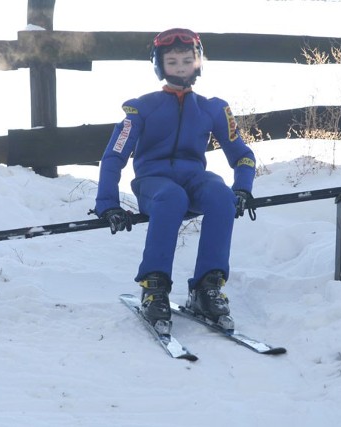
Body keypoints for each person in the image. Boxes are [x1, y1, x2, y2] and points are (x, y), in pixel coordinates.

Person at [93, 28, 256, 329]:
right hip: (153, 184)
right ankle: (154, 287)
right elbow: (114, 156)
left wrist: (243, 187)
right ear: (160, 66)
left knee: (221, 194)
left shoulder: (214, 109)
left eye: (186, 60)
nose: (180, 67)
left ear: (198, 62)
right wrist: (108, 204)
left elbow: (242, 154)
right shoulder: (140, 108)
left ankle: (208, 287)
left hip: (193, 180)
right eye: (172, 61)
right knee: (172, 197)